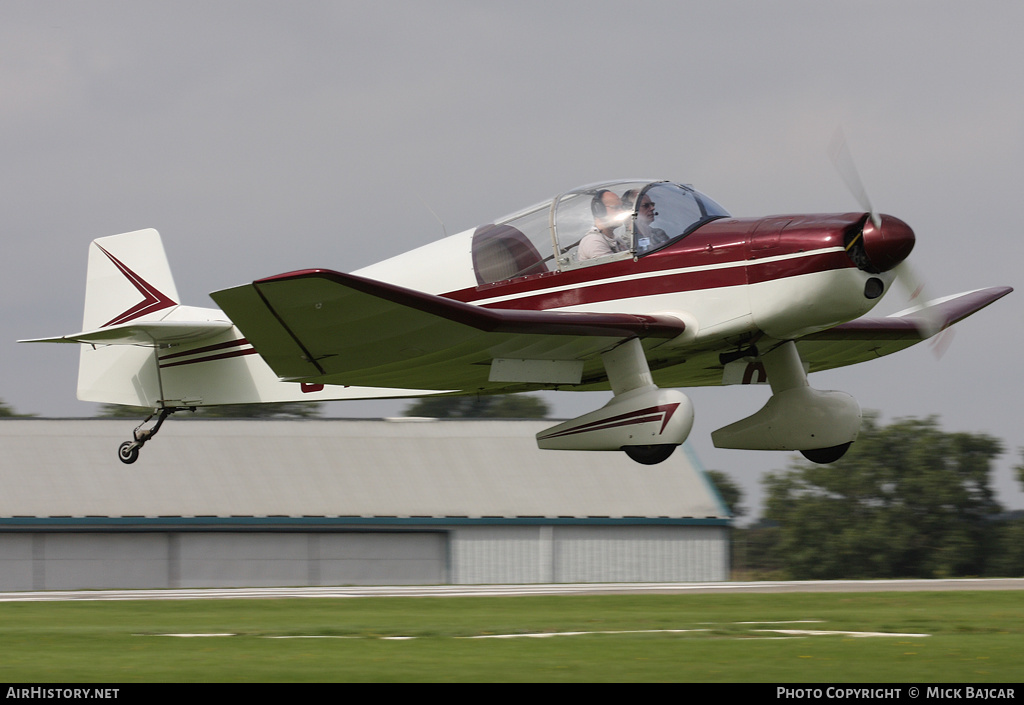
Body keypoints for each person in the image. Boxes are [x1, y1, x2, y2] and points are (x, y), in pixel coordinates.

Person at [578, 190, 628, 260]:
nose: (622, 211)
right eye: (616, 208)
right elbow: (616, 268)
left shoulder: (616, 239)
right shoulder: (594, 241)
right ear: (600, 210)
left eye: (621, 207)